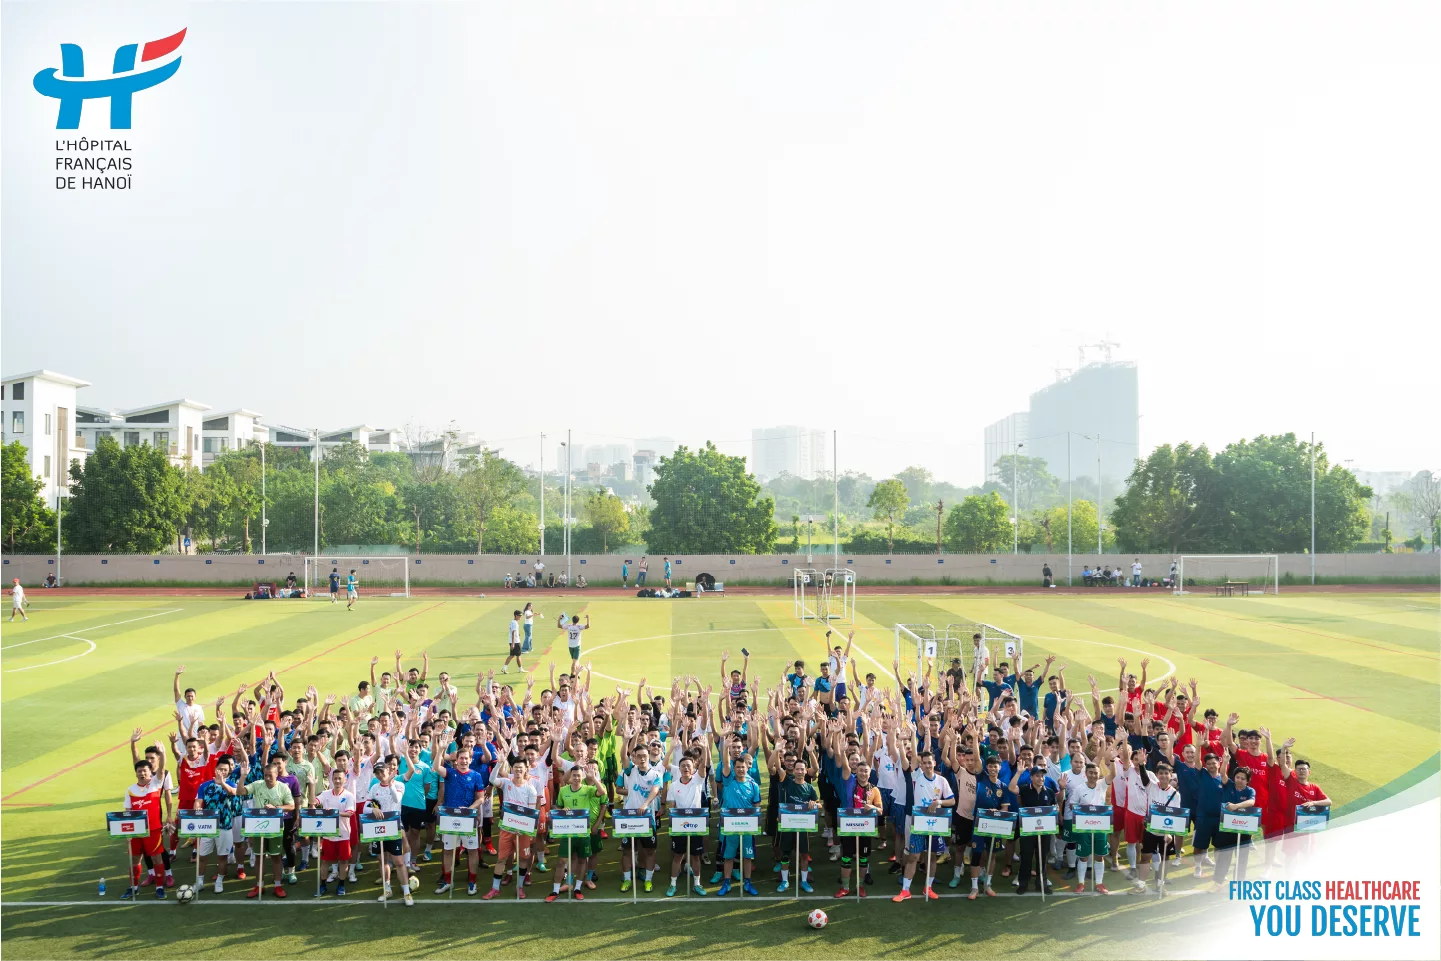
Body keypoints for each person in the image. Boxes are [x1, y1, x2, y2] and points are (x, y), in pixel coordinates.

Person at [893, 745, 954, 902]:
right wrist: (906, 740)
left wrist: (939, 801)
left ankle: (928, 887)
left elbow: (952, 800)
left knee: (932, 857)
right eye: (924, 763)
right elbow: (908, 762)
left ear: (934, 762)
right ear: (920, 765)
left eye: (929, 762)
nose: (927, 765)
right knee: (914, 856)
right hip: (918, 822)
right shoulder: (915, 778)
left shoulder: (942, 781)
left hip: (935, 823)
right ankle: (905, 890)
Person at [237, 755, 296, 899]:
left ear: (277, 774)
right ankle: (259, 886)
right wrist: (243, 777)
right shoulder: (258, 784)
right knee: (259, 857)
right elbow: (240, 792)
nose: (268, 778)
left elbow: (292, 806)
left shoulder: (283, 788)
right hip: (258, 826)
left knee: (276, 857)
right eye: (265, 775)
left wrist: (276, 808)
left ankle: (277, 885)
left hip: (276, 827)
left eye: (270, 775)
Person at [484, 751, 539, 899]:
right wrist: (499, 764)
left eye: (521, 768)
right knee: (501, 858)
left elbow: (531, 812)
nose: (518, 770)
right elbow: (492, 779)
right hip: (507, 828)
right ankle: (495, 888)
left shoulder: (531, 790)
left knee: (522, 859)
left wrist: (524, 828)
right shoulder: (507, 782)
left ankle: (519, 887)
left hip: (523, 830)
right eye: (515, 767)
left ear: (526, 769)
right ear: (512, 769)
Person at [364, 756, 414, 906]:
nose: (380, 775)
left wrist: (390, 783)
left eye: (382, 772)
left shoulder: (399, 785)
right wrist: (372, 809)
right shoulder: (374, 788)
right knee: (382, 859)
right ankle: (387, 889)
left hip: (393, 826)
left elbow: (397, 799)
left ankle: (406, 893)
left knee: (398, 861)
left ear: (388, 770)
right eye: (377, 773)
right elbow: (365, 808)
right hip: (378, 828)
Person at [121, 758, 173, 900]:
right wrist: (128, 833)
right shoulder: (130, 790)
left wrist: (162, 753)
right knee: (135, 859)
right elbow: (128, 811)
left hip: (154, 830)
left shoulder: (156, 784)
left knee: (157, 859)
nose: (142, 773)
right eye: (139, 771)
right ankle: (134, 887)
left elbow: (162, 769)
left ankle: (159, 887)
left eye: (145, 770)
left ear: (151, 772)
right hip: (137, 831)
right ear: (136, 773)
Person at [663, 756, 708, 897]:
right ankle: (673, 884)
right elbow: (672, 807)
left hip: (696, 825)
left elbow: (704, 766)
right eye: (683, 766)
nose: (686, 768)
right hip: (679, 826)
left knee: (695, 857)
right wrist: (673, 825)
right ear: (679, 768)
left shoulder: (698, 780)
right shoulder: (674, 785)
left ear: (693, 768)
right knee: (677, 857)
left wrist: (705, 747)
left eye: (689, 765)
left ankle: (697, 884)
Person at [315, 768, 356, 897]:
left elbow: (350, 813)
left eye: (340, 778)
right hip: (328, 835)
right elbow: (314, 802)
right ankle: (322, 885)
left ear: (344, 780)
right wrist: (312, 786)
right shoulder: (326, 794)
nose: (337, 781)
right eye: (335, 778)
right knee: (325, 861)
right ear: (332, 779)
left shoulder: (349, 795)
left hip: (343, 835)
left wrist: (333, 813)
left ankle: (341, 885)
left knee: (343, 861)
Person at [1214, 767, 1257, 882]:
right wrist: (1226, 761)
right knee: (1224, 856)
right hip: (1227, 826)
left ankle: (1239, 882)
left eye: (1243, 779)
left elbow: (1251, 802)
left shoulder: (1250, 791)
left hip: (1244, 827)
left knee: (1242, 857)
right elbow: (1222, 774)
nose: (1239, 780)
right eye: (1238, 777)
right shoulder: (1229, 785)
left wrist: (1236, 806)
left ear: (1247, 781)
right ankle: (1218, 882)